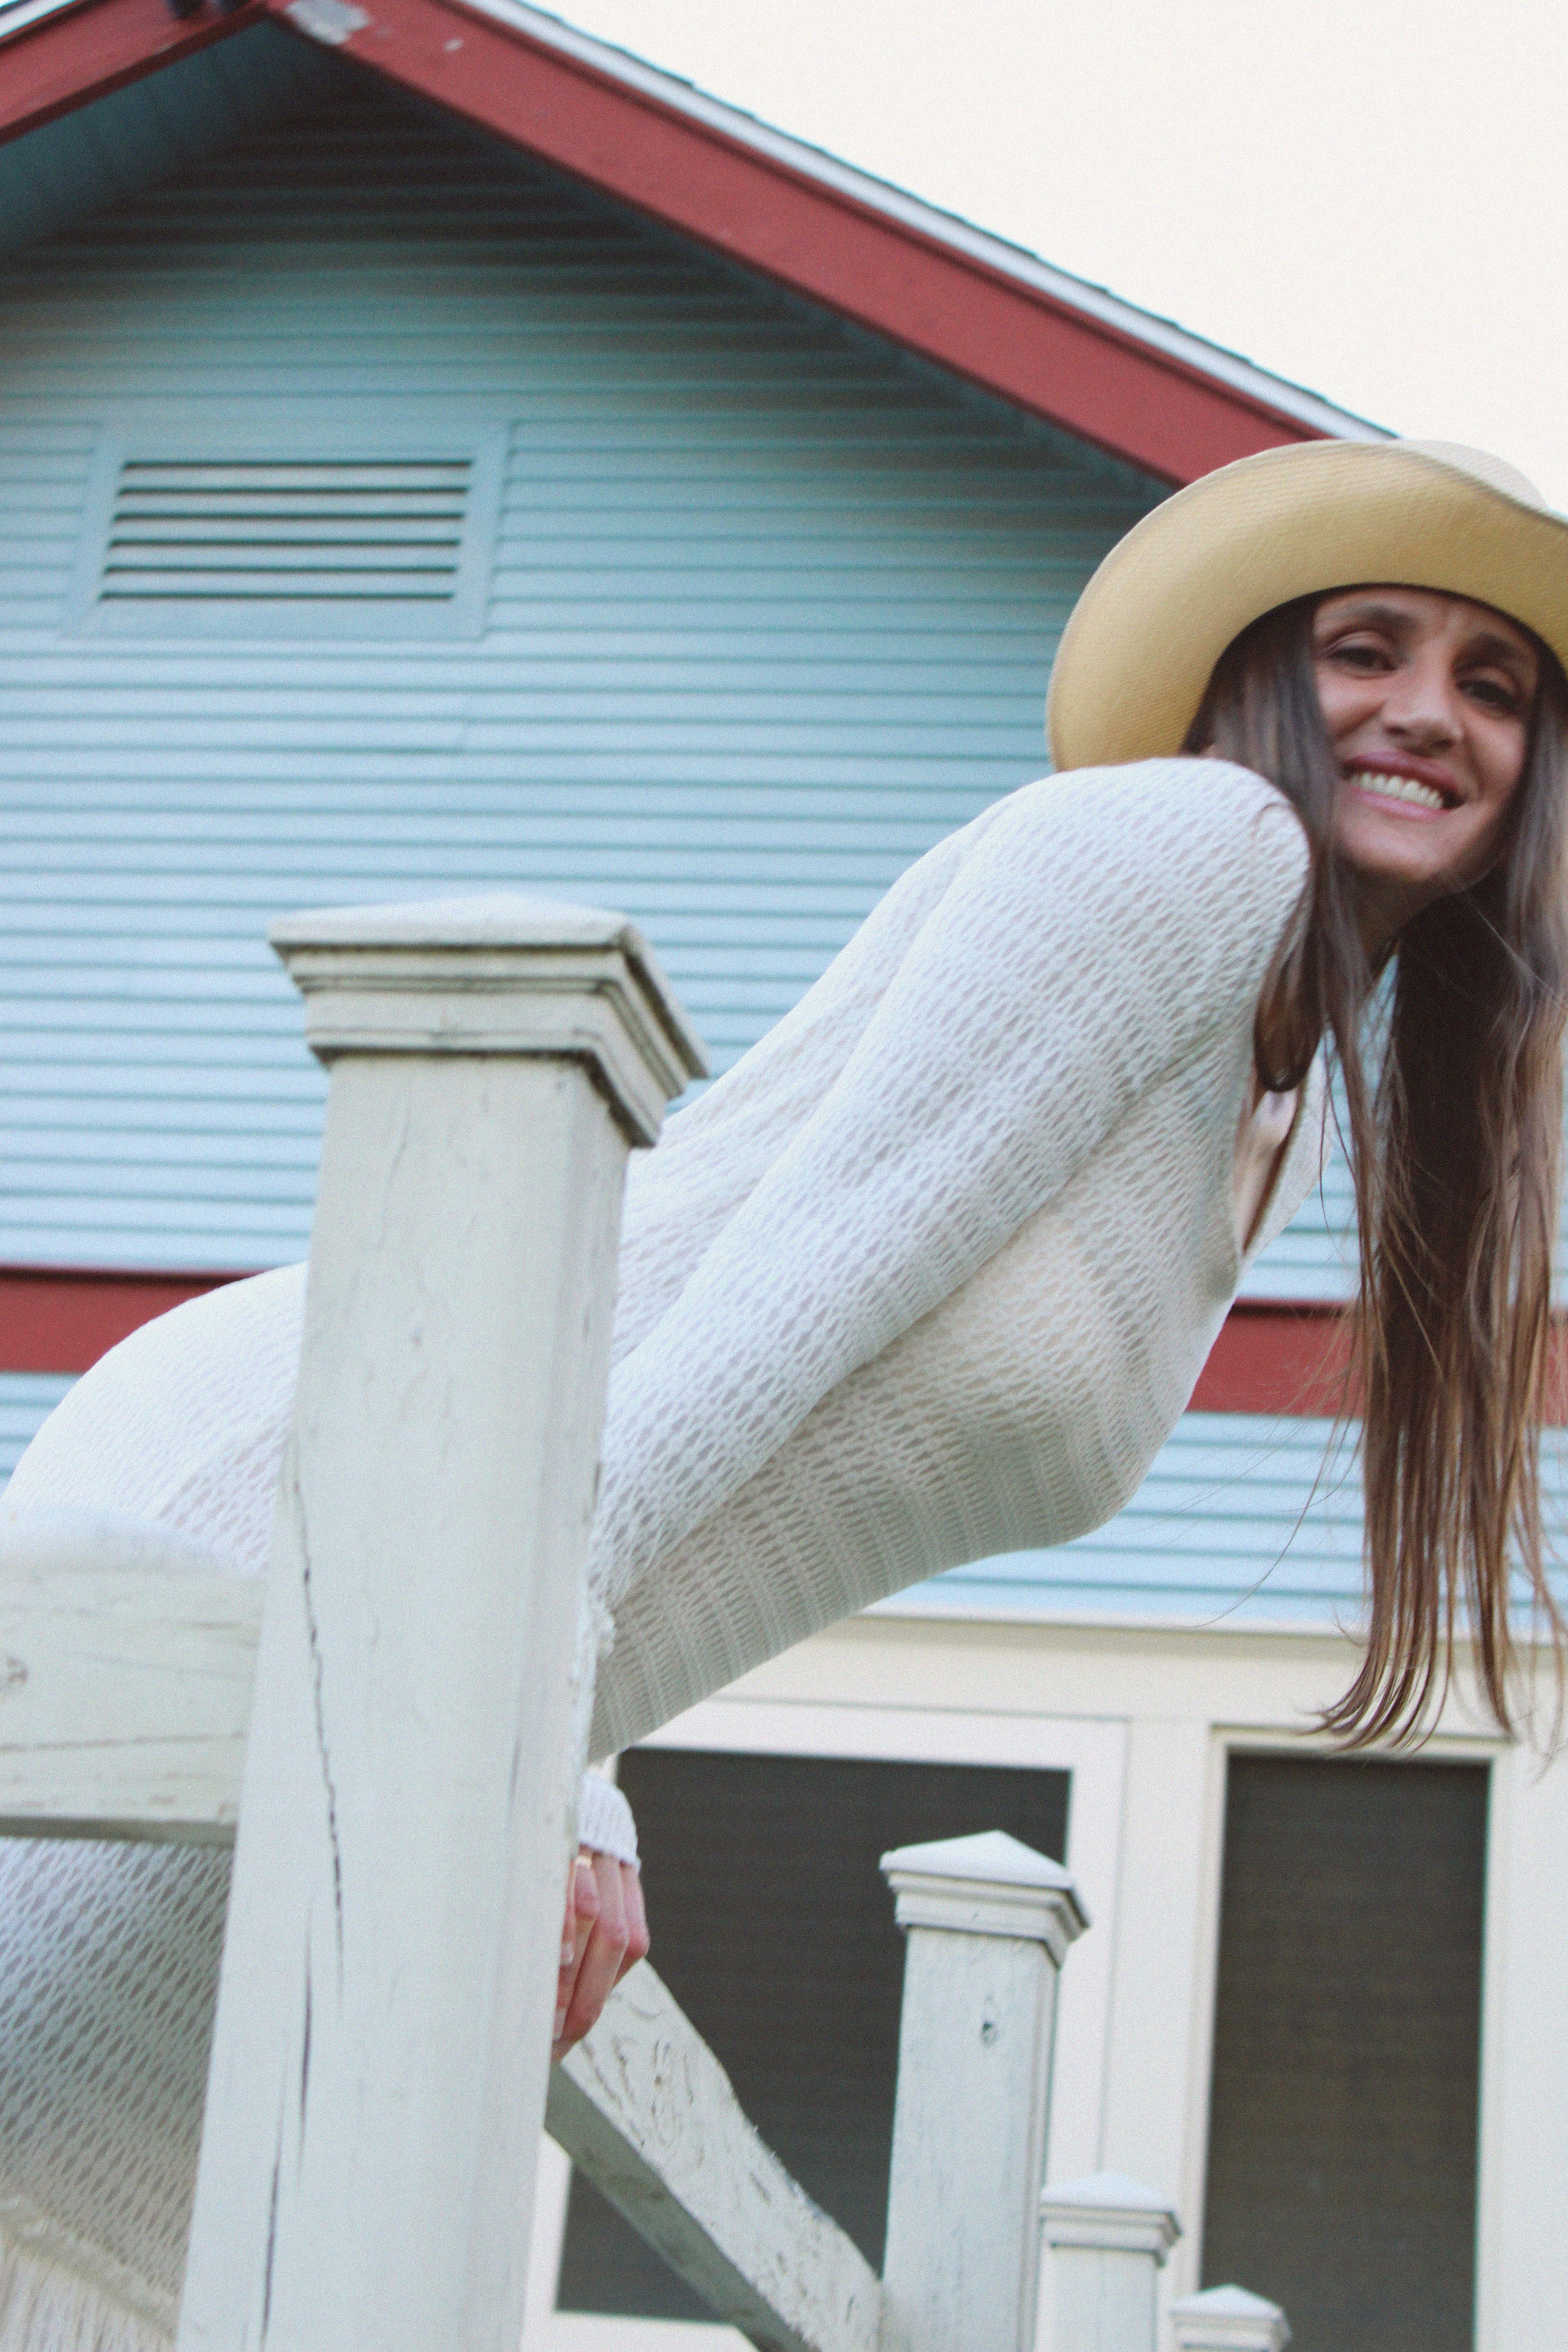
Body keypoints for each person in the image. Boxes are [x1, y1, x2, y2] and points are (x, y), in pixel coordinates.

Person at [2, 437, 1566, 2345]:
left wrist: (557, 1720)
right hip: (334, 1510)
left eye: (1496, 685)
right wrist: (557, 1745)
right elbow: (772, 1290)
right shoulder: (1189, 850)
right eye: (1367, 651)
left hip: (485, 1592)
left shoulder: (1285, 1100)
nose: (1430, 715)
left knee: (143, 2268)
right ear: (1259, 681)